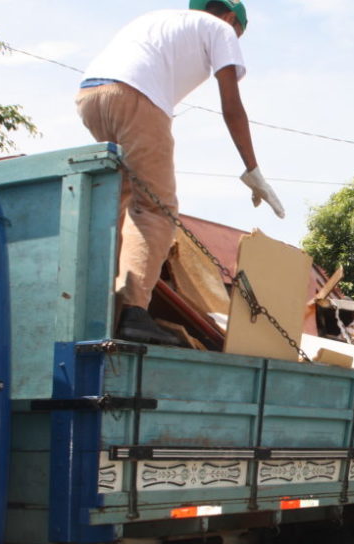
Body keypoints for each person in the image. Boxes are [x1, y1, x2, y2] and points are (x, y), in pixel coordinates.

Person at [75, 1, 285, 345]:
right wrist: (252, 168)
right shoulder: (221, 29)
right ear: (232, 19)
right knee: (156, 207)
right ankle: (133, 313)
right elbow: (231, 106)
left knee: (121, 200)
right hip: (137, 97)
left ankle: (98, 309)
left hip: (91, 95)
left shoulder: (161, 19)